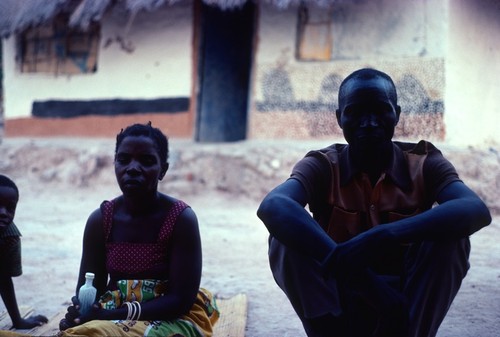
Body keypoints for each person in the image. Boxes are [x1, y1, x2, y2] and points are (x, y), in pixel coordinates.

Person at [257, 68, 492, 337]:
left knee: (452, 239)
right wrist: (363, 280)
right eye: (355, 112)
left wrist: (384, 235)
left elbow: (475, 210)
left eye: (381, 110)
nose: (369, 122)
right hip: (340, 303)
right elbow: (273, 206)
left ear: (398, 114)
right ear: (339, 118)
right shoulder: (323, 166)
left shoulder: (423, 163)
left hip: (403, 306)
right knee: (284, 239)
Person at [59, 123, 218, 337]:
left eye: (147, 161)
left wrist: (110, 316)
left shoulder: (181, 219)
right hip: (112, 313)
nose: (132, 168)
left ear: (163, 170)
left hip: (170, 318)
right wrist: (81, 311)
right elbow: (89, 287)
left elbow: (180, 301)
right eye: (124, 160)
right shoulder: (101, 220)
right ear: (115, 164)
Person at [0, 174, 48, 329]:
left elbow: (4, 279)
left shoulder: (10, 237)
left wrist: (18, 321)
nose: (3, 212)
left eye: (10, 208)